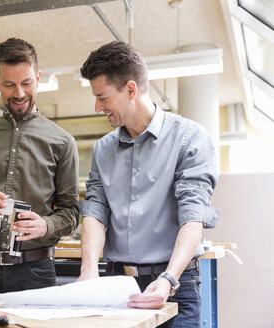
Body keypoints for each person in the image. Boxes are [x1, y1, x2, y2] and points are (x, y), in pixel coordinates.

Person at [77, 41, 220, 327]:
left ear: (130, 89)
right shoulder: (103, 149)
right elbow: (95, 210)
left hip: (175, 284)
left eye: (103, 98)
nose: (97, 107)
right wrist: (89, 268)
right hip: (118, 285)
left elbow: (193, 217)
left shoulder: (189, 139)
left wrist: (168, 279)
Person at [0, 38, 80, 297]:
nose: (19, 93)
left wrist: (46, 225)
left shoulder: (63, 142)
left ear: (38, 78)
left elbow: (71, 213)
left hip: (35, 269)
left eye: (26, 83)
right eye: (9, 85)